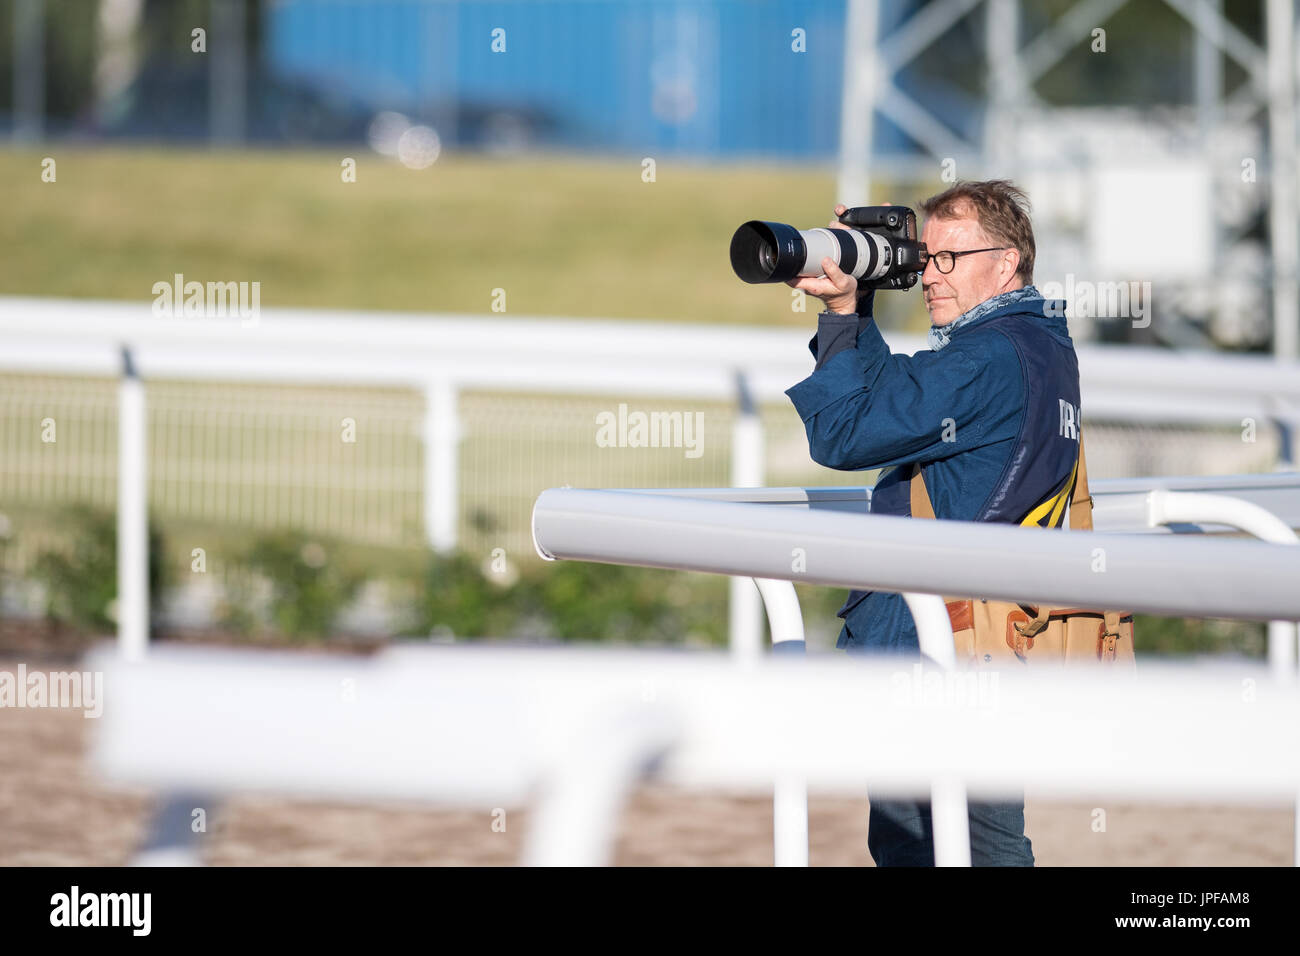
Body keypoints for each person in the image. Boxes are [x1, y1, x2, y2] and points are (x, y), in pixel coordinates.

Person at [784, 180, 1082, 867]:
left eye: (951, 258)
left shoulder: (986, 357)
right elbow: (902, 408)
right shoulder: (1039, 346)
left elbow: (846, 435)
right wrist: (848, 305)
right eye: (925, 257)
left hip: (937, 644)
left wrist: (841, 317)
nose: (929, 275)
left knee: (933, 845)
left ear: (1005, 263)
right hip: (991, 636)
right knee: (968, 839)